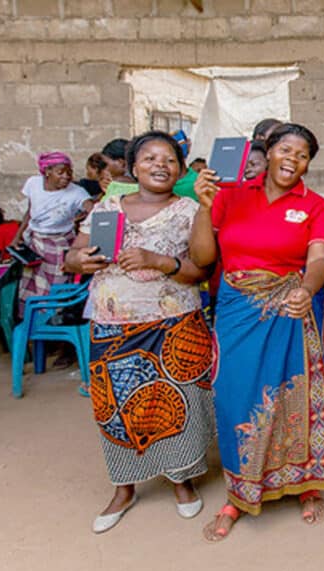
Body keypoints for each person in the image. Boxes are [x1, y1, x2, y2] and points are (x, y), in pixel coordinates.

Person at [191, 123, 324, 542]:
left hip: (290, 310)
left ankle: (305, 484)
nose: (293, 159)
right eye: (285, 149)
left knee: (295, 396)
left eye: (303, 154)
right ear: (268, 151)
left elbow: (319, 257)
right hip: (237, 311)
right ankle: (239, 494)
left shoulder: (316, 206)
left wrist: (307, 290)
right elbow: (202, 258)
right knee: (237, 400)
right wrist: (203, 207)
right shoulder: (230, 195)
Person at [63, 131, 214, 534]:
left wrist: (157, 260)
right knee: (113, 408)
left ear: (180, 169)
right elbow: (73, 258)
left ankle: (182, 481)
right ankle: (124, 487)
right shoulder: (108, 207)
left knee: (180, 406)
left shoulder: (189, 210)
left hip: (174, 325)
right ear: (133, 168)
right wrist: (80, 259)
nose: (160, 165)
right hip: (113, 325)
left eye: (169, 160)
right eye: (149, 158)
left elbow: (201, 270)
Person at [12, 152, 92, 308]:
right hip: (36, 241)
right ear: (47, 171)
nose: (66, 176)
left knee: (57, 284)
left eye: (69, 172)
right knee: (32, 284)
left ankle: (52, 317)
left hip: (60, 243)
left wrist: (83, 220)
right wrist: (18, 236)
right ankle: (33, 320)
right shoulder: (33, 184)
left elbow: (93, 210)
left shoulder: (77, 192)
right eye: (60, 172)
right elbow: (30, 211)